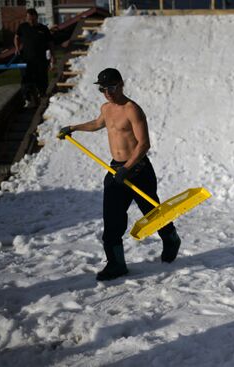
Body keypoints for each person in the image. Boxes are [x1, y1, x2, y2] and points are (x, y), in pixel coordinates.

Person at [57, 68, 181, 281]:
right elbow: (97, 124)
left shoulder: (132, 109)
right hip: (116, 169)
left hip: (138, 169)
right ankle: (116, 264)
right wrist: (73, 127)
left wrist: (127, 168)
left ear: (121, 84)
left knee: (152, 212)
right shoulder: (106, 108)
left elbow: (144, 144)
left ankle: (171, 238)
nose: (108, 93)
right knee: (112, 218)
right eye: (103, 89)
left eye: (111, 87)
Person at [14, 8, 54, 108]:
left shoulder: (43, 29)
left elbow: (50, 43)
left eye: (32, 19)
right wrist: (17, 48)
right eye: (28, 19)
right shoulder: (23, 27)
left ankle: (42, 97)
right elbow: (16, 37)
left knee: (42, 79)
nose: (30, 21)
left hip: (40, 60)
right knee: (26, 80)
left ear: (36, 18)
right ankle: (27, 99)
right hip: (26, 59)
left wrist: (52, 56)